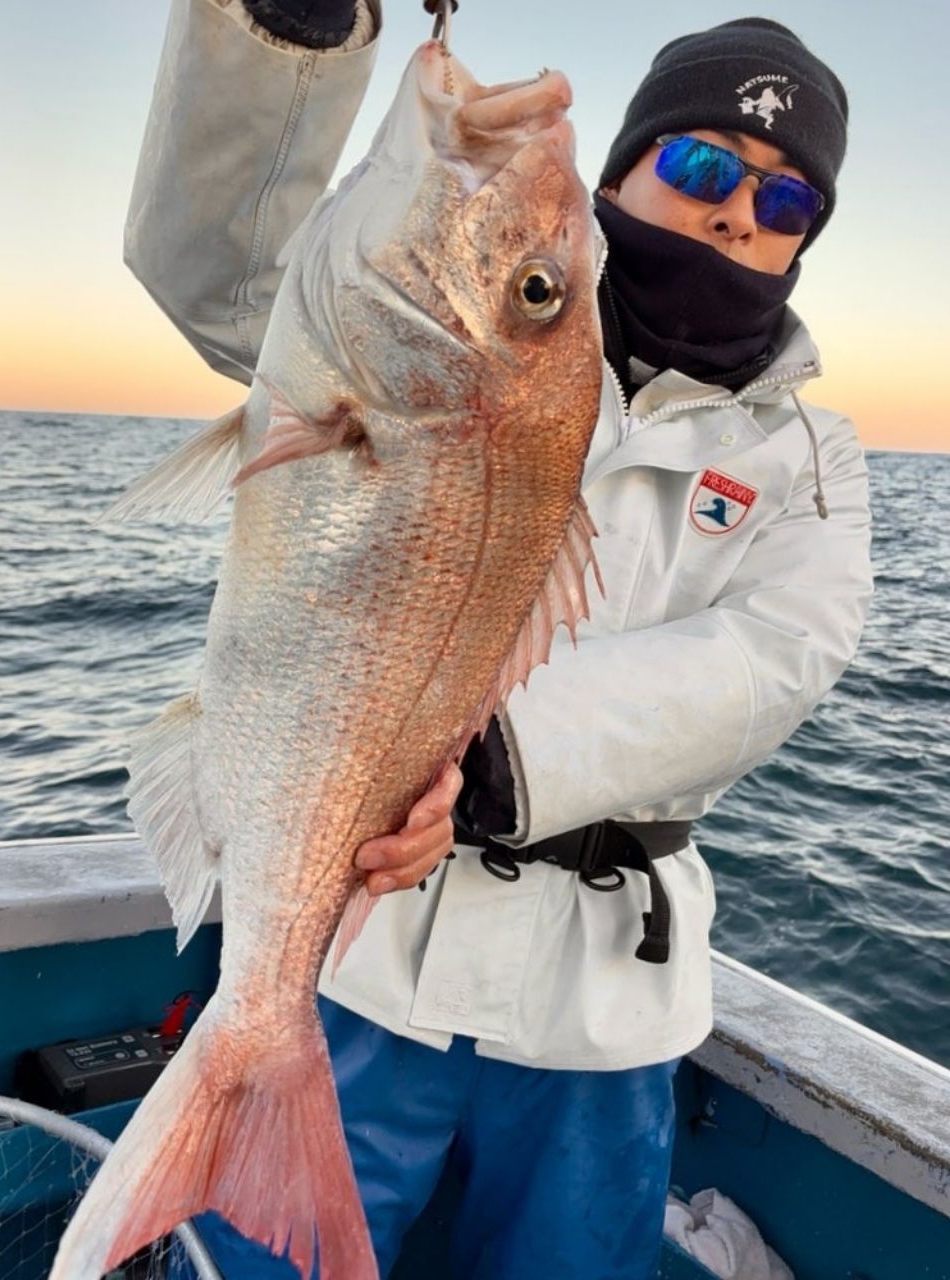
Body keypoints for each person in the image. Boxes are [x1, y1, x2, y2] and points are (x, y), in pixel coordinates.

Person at [127, 3, 872, 1277]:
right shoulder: (425, 306)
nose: (740, 211)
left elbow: (777, 658)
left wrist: (480, 757)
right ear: (617, 175)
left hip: (602, 1010)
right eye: (702, 164)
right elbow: (220, 272)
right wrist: (289, 33)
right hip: (359, 954)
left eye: (789, 197)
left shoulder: (813, 455)